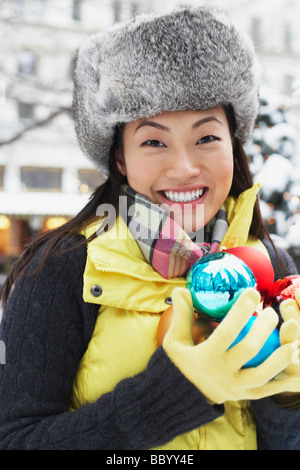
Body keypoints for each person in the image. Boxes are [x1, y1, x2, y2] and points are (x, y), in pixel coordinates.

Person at [1, 6, 300, 451]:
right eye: (154, 141)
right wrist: (180, 392)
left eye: (206, 137)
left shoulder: (272, 264)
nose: (183, 167)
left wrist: (286, 396)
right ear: (120, 157)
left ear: (233, 145)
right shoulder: (62, 269)